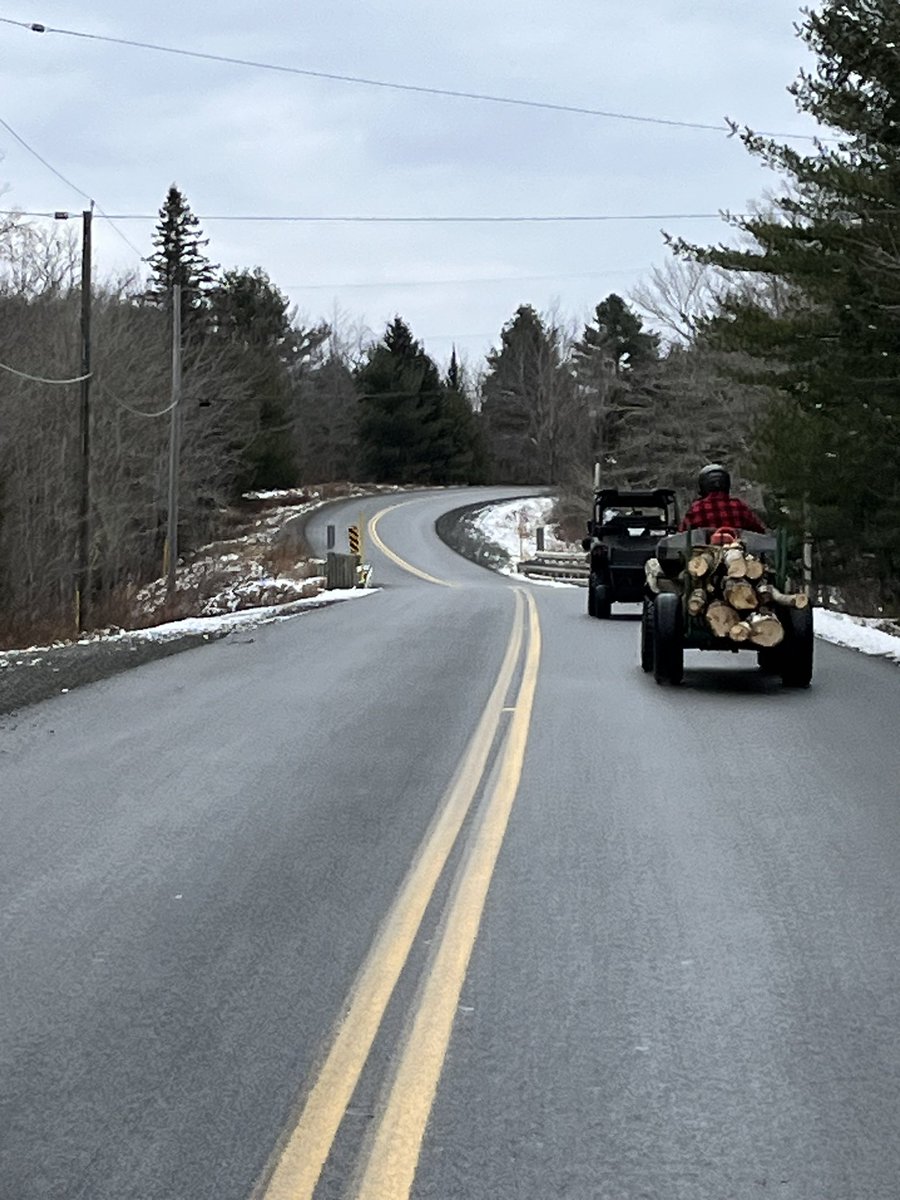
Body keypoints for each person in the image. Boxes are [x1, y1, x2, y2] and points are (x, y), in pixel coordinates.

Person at [679, 463, 766, 534]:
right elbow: (760, 533)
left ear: (703, 486)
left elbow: (682, 536)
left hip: (704, 553)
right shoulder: (740, 507)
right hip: (737, 553)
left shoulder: (697, 509)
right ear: (727, 484)